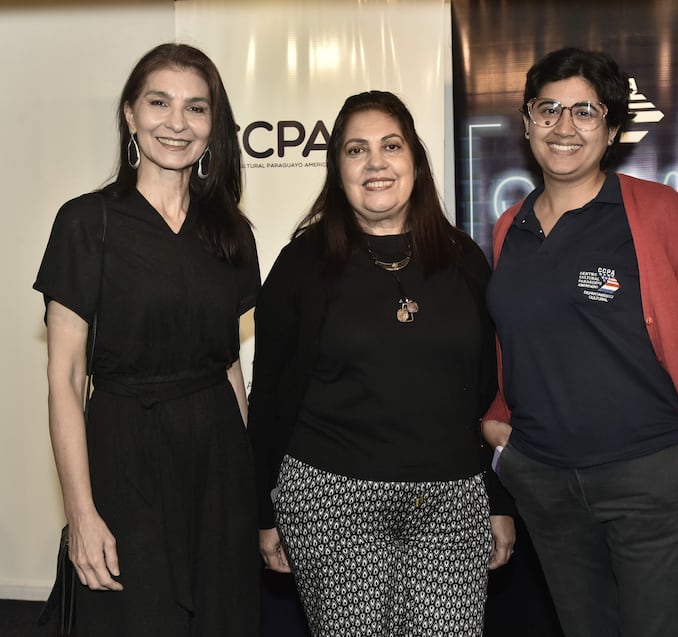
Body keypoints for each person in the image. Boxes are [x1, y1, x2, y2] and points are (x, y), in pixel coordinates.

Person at [481, 46, 678, 637]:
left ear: (611, 129)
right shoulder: (510, 227)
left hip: (652, 483)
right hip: (546, 485)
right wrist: (500, 423)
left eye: (585, 111)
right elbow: (515, 341)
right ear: (527, 122)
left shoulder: (657, 213)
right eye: (548, 108)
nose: (564, 126)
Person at [247, 90, 515, 637]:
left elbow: (494, 394)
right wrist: (264, 509)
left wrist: (499, 497)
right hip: (331, 501)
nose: (376, 163)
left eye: (390, 146)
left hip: (452, 502)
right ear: (336, 168)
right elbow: (271, 393)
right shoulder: (302, 265)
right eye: (356, 150)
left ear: (414, 159)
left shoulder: (464, 260)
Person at [33, 43, 261, 637]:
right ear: (130, 114)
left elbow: (230, 366)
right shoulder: (87, 223)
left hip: (219, 466)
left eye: (196, 108)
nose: (177, 123)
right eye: (159, 103)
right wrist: (80, 512)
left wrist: (254, 493)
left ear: (214, 126)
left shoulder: (231, 231)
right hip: (124, 457)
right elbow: (63, 379)